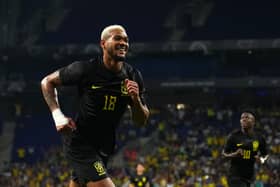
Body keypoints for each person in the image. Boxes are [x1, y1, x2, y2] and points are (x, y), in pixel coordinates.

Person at [41, 25, 150, 187]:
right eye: (117, 38)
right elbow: (47, 82)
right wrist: (57, 115)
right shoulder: (86, 69)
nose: (123, 43)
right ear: (103, 44)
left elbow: (141, 120)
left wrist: (135, 100)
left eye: (126, 40)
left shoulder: (133, 76)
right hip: (80, 142)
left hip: (105, 145)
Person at [222, 111, 269, 187]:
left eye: (247, 117)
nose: (243, 119)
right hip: (235, 176)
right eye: (242, 118)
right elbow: (224, 154)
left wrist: (261, 160)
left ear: (253, 122)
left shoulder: (259, 138)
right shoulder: (233, 136)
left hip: (249, 177)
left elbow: (265, 155)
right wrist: (234, 154)